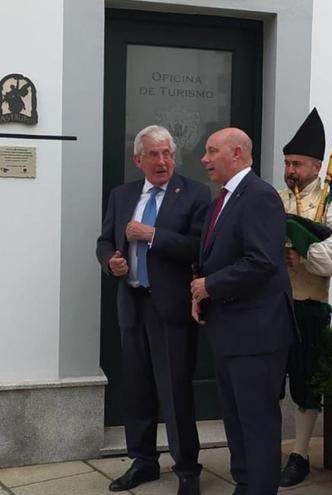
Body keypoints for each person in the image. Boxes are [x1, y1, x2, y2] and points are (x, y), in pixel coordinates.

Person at [96, 125, 211, 495]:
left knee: (175, 390)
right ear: (138, 159)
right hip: (132, 303)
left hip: (171, 308)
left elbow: (199, 248)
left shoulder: (194, 194)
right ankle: (143, 460)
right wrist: (110, 262)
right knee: (137, 388)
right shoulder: (122, 194)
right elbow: (104, 241)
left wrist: (153, 235)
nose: (162, 162)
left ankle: (187, 470)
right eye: (154, 155)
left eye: (168, 154)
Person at [191, 127, 295, 495]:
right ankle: (245, 482)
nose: (204, 159)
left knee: (257, 421)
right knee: (235, 419)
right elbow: (218, 255)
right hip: (229, 330)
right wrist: (200, 290)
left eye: (211, 151)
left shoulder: (259, 196)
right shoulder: (224, 199)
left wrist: (211, 286)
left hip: (257, 333)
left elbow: (262, 261)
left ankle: (260, 488)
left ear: (237, 154)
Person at [277, 108, 332, 487]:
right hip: (271, 306)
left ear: (315, 165)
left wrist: (306, 255)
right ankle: (265, 448)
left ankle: (300, 454)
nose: (290, 170)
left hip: (309, 306)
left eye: (297, 163)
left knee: (307, 384)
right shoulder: (274, 199)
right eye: (286, 163)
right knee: (267, 381)